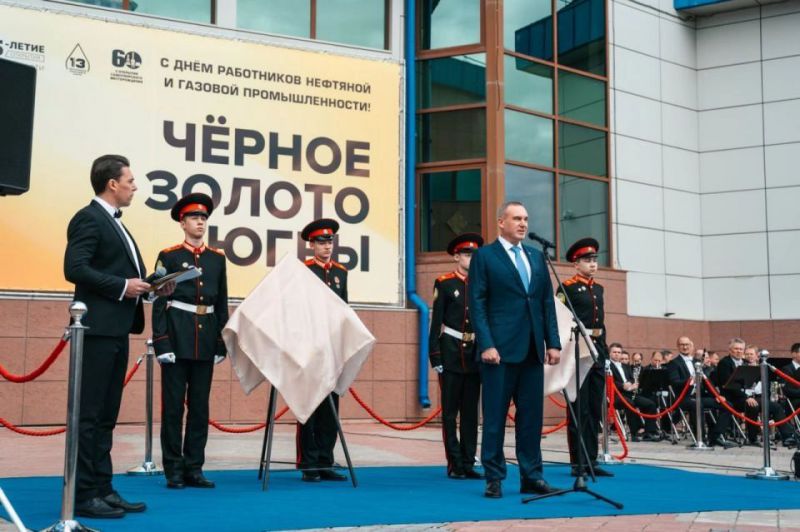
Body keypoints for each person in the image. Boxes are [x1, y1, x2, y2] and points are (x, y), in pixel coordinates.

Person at [64, 154, 174, 519]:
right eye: (130, 181)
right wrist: (123, 286)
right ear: (112, 183)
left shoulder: (115, 223)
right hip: (96, 330)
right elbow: (74, 268)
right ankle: (83, 494)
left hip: (116, 330)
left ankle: (102, 487)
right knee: (90, 415)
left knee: (106, 415)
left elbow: (122, 275)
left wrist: (152, 287)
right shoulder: (88, 217)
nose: (135, 187)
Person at [468, 201, 562, 499]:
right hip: (498, 352)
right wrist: (487, 344)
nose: (523, 224)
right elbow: (477, 303)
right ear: (501, 222)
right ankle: (494, 477)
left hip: (532, 349)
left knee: (531, 418)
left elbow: (546, 303)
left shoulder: (536, 257)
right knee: (495, 418)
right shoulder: (485, 256)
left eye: (526, 218)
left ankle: (532, 475)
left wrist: (553, 342)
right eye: (517, 218)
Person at [152, 193, 229, 489]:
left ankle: (194, 467)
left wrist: (221, 341)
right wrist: (162, 342)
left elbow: (221, 302)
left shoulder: (217, 259)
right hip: (176, 335)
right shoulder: (169, 255)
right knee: (173, 408)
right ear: (182, 223)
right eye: (194, 218)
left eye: (203, 218)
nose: (200, 222)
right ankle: (173, 469)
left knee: (199, 408)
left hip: (205, 337)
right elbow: (160, 300)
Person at [295, 218, 349, 482]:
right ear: (311, 245)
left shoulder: (340, 272)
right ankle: (309, 462)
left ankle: (326, 460)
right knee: (310, 407)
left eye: (329, 241)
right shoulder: (303, 271)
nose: (327, 246)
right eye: (321, 242)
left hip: (333, 349)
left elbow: (344, 310)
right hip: (310, 347)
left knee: (330, 408)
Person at [556, 237, 614, 478]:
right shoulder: (567, 288)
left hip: (596, 349)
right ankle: (578, 462)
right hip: (578, 351)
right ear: (576, 263)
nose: (592, 264)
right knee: (579, 408)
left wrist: (605, 352)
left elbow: (601, 323)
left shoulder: (598, 289)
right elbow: (561, 321)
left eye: (594, 260)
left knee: (593, 407)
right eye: (587, 260)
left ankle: (591, 459)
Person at [429, 233, 484, 480]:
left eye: (474, 255)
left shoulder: (481, 285)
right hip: (450, 353)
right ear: (456, 257)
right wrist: (436, 356)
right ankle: (455, 463)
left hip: (474, 355)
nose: (471, 258)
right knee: (450, 413)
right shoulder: (445, 283)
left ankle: (469, 462)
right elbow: (436, 324)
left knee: (471, 414)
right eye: (467, 254)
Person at [666, 336, 734, 448]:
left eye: (687, 344)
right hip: (684, 398)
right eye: (682, 345)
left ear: (691, 346)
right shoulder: (673, 363)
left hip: (700, 396)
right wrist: (690, 380)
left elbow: (707, 382)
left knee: (727, 405)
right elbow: (675, 382)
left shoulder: (697, 362)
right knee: (697, 405)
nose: (685, 347)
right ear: (678, 346)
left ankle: (715, 436)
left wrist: (717, 396)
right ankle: (700, 439)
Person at [737, 345, 795, 446]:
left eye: (751, 354)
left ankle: (787, 436)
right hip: (745, 398)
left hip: (760, 397)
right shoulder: (741, 367)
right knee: (753, 406)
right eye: (747, 354)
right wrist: (747, 397)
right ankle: (752, 438)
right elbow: (737, 386)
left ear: (757, 356)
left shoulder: (763, 367)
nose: (749, 356)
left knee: (776, 407)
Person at [608, 343, 660, 442]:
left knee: (650, 404)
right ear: (609, 353)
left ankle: (649, 433)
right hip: (616, 395)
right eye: (614, 352)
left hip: (629, 393)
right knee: (630, 404)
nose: (617, 354)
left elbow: (631, 378)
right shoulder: (607, 366)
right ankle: (635, 432)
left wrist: (632, 385)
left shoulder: (625, 366)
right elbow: (609, 381)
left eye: (619, 352)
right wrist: (623, 385)